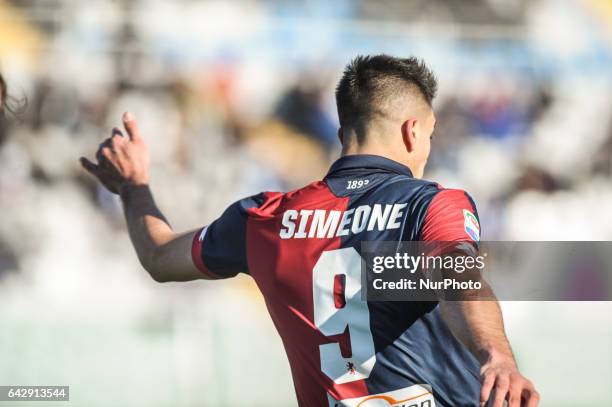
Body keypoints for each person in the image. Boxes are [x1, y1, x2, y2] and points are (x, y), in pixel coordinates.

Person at [81, 55, 539, 407]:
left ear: (344, 133)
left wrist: (134, 187)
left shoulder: (262, 218)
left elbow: (160, 256)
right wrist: (495, 354)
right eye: (431, 134)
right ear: (412, 131)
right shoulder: (429, 203)